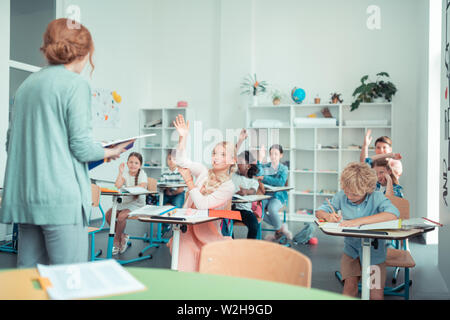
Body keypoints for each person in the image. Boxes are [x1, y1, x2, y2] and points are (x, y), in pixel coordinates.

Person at [0, 18, 131, 267]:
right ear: (84, 53)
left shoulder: (26, 87)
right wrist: (108, 151)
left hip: (27, 199)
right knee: (69, 280)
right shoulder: (75, 85)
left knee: (30, 282)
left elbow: (11, 144)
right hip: (61, 199)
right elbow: (81, 146)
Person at [315, 162, 400, 300]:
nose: (349, 196)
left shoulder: (376, 197)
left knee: (375, 292)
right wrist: (328, 216)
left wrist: (357, 222)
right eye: (347, 191)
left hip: (375, 253)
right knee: (350, 287)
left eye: (354, 194)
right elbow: (319, 211)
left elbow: (393, 214)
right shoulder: (342, 195)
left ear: (367, 189)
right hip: (351, 251)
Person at [170, 114, 237, 272]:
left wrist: (189, 182)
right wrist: (183, 138)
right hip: (186, 231)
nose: (216, 157)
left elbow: (202, 205)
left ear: (232, 160)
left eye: (222, 154)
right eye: (214, 153)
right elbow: (181, 161)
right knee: (181, 263)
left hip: (207, 234)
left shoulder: (228, 186)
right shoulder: (203, 171)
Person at [105, 152, 147, 255]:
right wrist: (120, 172)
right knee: (109, 215)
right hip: (125, 202)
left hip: (137, 204)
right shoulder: (125, 173)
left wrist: (127, 189)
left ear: (140, 165)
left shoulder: (142, 174)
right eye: (131, 162)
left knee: (121, 217)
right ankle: (122, 236)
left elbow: (142, 186)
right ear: (127, 163)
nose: (133, 165)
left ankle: (116, 240)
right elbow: (118, 185)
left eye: (136, 163)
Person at [256, 144, 292, 241]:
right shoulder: (266, 166)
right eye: (271, 154)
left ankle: (278, 229)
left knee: (272, 208)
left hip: (278, 196)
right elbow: (258, 173)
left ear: (281, 155)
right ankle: (280, 228)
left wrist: (264, 178)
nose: (273, 156)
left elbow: (280, 182)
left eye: (276, 154)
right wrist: (260, 159)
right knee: (258, 210)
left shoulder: (284, 168)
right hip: (266, 195)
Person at [231, 150, 260, 239]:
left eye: (241, 162)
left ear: (248, 165)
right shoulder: (234, 175)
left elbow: (253, 191)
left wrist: (246, 192)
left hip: (245, 211)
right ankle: (231, 243)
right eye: (237, 162)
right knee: (225, 223)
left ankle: (249, 247)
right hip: (232, 209)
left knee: (254, 225)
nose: (238, 164)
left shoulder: (253, 182)